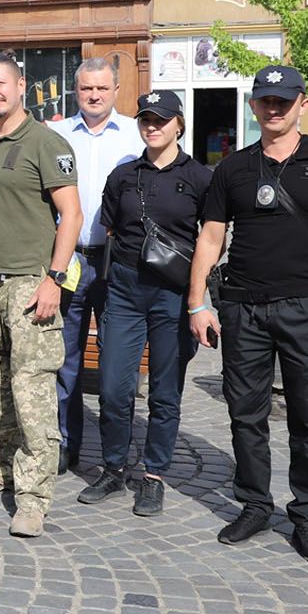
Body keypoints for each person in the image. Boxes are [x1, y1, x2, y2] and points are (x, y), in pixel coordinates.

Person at [188, 65, 308, 564]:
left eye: (284, 101)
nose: (274, 108)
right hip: (242, 309)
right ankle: (254, 504)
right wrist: (198, 302)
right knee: (246, 415)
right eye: (266, 100)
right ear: (254, 106)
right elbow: (210, 237)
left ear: (302, 104)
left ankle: (307, 517)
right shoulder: (231, 168)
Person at [0, 52, 82, 539]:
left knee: (31, 389)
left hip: (30, 282)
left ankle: (33, 497)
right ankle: (4, 468)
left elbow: (70, 216)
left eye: (0, 83)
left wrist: (55, 277)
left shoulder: (46, 143)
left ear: (21, 85)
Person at [77, 89, 211, 517]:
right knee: (114, 389)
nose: (153, 126)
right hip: (126, 291)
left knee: (164, 393)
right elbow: (112, 230)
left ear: (179, 125)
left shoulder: (200, 179)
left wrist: (197, 297)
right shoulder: (123, 176)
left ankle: (153, 476)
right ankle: (114, 468)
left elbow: (212, 239)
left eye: (161, 119)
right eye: (146, 119)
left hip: (173, 294)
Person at [47, 58, 143, 473]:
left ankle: (113, 455)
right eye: (86, 89)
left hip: (116, 262)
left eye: (102, 89)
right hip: (68, 259)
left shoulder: (136, 139)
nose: (94, 96)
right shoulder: (56, 135)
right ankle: (66, 445)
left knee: (113, 361)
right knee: (64, 358)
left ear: (116, 89)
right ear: (76, 90)